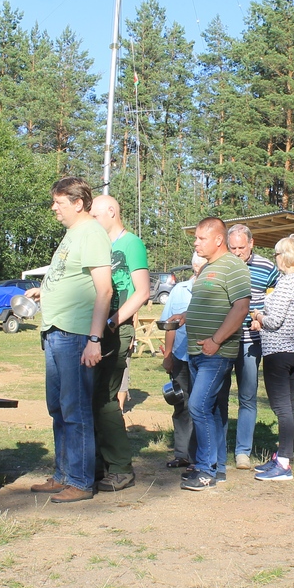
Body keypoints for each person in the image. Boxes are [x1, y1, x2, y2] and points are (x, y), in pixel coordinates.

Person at [24, 178, 112, 504]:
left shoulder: (91, 233)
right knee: (58, 408)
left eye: (59, 202)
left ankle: (80, 481)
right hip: (55, 331)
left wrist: (94, 339)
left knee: (76, 410)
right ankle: (62, 475)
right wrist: (44, 291)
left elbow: (104, 290)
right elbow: (70, 277)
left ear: (78, 203)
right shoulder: (73, 233)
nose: (53, 208)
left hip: (75, 335)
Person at [171, 218, 251, 491]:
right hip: (197, 351)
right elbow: (205, 303)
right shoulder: (206, 268)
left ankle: (205, 471)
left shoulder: (234, 266)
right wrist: (184, 316)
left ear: (218, 239)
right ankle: (217, 468)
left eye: (201, 238)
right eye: (196, 238)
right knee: (213, 410)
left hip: (216, 353)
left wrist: (216, 341)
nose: (195, 243)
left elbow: (241, 308)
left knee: (198, 406)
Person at [88, 195, 150, 492]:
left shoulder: (132, 244)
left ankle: (121, 468)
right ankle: (98, 464)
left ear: (112, 211)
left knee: (105, 398)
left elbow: (142, 292)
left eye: (95, 215)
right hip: (94, 331)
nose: (91, 221)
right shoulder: (99, 245)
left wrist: (113, 322)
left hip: (115, 330)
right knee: (92, 398)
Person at [248, 235, 294, 481]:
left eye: (276, 254)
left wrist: (257, 315)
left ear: (286, 256)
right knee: (286, 407)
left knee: (282, 409)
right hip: (291, 349)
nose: (275, 258)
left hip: (278, 352)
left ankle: (284, 463)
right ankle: (282, 455)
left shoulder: (287, 283)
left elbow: (274, 321)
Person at [226, 224, 279, 469]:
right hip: (223, 341)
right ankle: (217, 449)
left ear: (251, 243)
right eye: (233, 248)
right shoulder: (223, 265)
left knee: (247, 396)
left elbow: (277, 299)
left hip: (251, 343)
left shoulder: (267, 267)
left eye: (241, 247)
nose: (237, 252)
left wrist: (262, 318)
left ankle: (242, 452)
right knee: (218, 396)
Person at [160, 252, 205, 469]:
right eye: (199, 265)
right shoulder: (179, 290)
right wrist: (168, 355)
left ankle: (200, 456)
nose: (201, 269)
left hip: (205, 356)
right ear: (194, 266)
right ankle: (182, 453)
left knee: (201, 406)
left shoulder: (213, 289)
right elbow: (170, 324)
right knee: (181, 404)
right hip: (180, 355)